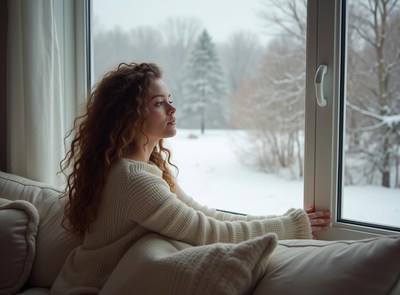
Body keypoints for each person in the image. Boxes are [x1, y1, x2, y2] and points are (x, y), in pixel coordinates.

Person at [51, 62, 331, 294]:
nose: (172, 110)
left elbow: (206, 215)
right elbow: (209, 233)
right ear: (130, 116)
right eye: (159, 104)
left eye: (169, 100)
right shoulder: (132, 179)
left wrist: (282, 220)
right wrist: (290, 226)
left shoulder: (142, 168)